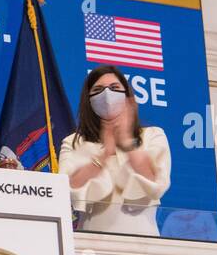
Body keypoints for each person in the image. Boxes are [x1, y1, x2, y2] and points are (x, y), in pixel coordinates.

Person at [58, 65, 171, 236]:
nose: (107, 94)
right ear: (88, 100)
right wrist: (103, 155)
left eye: (114, 88)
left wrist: (126, 143)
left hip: (145, 242)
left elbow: (155, 181)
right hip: (91, 241)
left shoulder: (153, 135)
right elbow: (68, 186)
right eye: (98, 89)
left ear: (128, 97)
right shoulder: (73, 142)